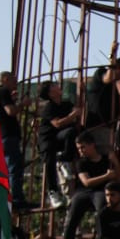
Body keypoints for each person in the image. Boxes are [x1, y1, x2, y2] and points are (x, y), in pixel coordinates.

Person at [61, 131, 118, 239]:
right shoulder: (81, 162)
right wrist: (106, 176)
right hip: (84, 192)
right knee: (71, 217)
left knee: (102, 212)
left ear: (92, 145)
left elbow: (118, 177)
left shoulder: (105, 160)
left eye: (83, 147)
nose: (81, 151)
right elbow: (87, 182)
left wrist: (115, 162)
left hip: (100, 192)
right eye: (79, 148)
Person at [0, 71, 30, 208]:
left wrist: (13, 100)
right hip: (8, 136)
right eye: (14, 80)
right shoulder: (3, 91)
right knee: (15, 168)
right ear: (6, 79)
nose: (15, 84)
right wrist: (23, 104)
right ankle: (18, 200)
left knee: (9, 169)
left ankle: (11, 199)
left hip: (0, 137)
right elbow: (10, 111)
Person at [37, 80, 80, 209]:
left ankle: (64, 160)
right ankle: (53, 192)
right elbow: (58, 124)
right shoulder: (49, 108)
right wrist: (73, 115)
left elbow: (77, 111)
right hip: (47, 139)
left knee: (72, 132)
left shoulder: (66, 104)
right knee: (49, 162)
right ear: (50, 93)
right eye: (54, 85)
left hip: (60, 138)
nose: (58, 86)